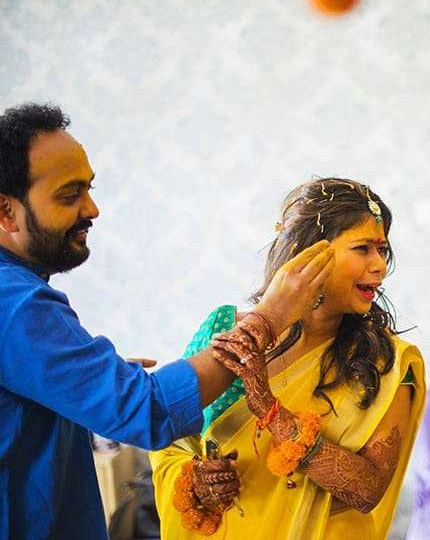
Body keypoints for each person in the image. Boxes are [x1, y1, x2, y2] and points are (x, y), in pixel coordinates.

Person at [0, 103, 334, 540]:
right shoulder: (16, 303)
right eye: (69, 196)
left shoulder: (392, 362)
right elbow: (148, 411)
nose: (93, 209)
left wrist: (92, 381)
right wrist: (269, 318)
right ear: (6, 212)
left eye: (89, 189)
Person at [150, 178, 426, 539]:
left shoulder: (384, 362)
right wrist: (198, 483)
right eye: (362, 249)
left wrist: (270, 410)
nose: (380, 267)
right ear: (307, 254)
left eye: (382, 250)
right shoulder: (226, 328)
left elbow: (367, 490)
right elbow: (171, 436)